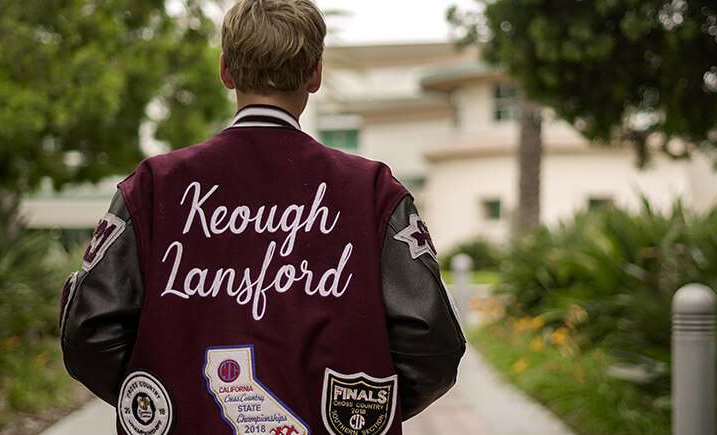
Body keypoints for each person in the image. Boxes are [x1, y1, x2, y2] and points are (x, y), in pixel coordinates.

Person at [58, 0, 465, 433]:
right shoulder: (373, 191)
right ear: (315, 74)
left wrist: (166, 402)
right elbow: (432, 344)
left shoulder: (153, 186)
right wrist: (362, 415)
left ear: (226, 71)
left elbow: (89, 331)